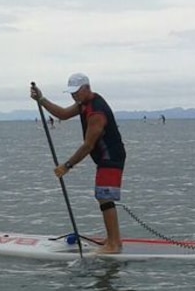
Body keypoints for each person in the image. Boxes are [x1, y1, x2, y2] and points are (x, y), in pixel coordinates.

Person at [30, 73, 127, 254]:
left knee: (104, 196)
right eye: (71, 93)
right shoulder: (85, 103)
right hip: (105, 157)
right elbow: (63, 114)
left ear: (87, 88)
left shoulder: (96, 111)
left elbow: (88, 146)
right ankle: (113, 238)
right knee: (103, 197)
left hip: (111, 156)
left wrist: (66, 166)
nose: (73, 96)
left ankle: (114, 244)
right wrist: (41, 99)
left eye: (76, 92)